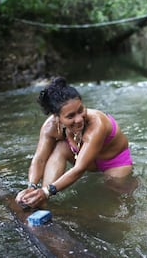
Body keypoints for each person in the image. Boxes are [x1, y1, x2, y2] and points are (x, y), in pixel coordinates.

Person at [15, 77, 133, 208]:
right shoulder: (50, 127)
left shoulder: (97, 124)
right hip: (87, 160)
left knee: (113, 200)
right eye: (70, 116)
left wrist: (50, 191)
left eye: (81, 110)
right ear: (57, 117)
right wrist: (31, 186)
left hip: (114, 163)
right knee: (59, 147)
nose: (79, 119)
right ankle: (40, 198)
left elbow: (79, 168)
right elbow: (39, 159)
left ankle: (44, 193)